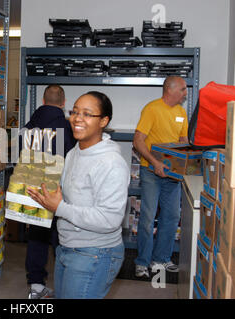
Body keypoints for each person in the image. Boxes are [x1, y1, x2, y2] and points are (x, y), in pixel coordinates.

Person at [27, 91, 129, 299]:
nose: (77, 118)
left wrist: (60, 207)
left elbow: (110, 219)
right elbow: (68, 196)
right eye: (74, 112)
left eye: (87, 114)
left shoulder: (111, 163)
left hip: (94, 253)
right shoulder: (75, 151)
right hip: (67, 247)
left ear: (104, 121)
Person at [19, 85, 76, 299]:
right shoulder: (69, 127)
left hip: (34, 188)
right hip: (60, 190)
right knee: (63, 236)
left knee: (37, 236)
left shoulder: (27, 126)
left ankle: (35, 286)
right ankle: (67, 285)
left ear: (43, 101)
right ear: (63, 103)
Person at [133, 76, 188, 278]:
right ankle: (142, 262)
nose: (185, 92)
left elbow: (183, 140)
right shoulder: (152, 109)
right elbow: (138, 140)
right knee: (147, 217)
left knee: (172, 216)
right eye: (183, 89)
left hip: (172, 175)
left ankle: (161, 259)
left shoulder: (181, 112)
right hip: (152, 172)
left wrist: (186, 162)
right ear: (170, 90)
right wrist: (155, 163)